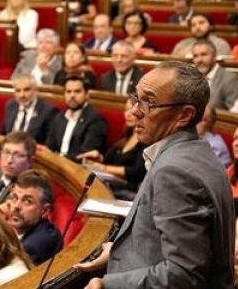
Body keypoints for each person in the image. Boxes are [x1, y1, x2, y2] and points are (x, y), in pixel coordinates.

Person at [75, 61, 235, 289]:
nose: (134, 111)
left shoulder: (175, 172)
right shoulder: (198, 153)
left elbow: (184, 275)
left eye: (149, 102)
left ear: (184, 115)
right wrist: (120, 253)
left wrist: (107, 285)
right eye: (136, 97)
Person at [77, 99, 147, 200]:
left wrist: (102, 167)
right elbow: (107, 158)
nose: (128, 114)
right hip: (113, 187)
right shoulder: (126, 136)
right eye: (126, 110)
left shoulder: (146, 140)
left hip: (128, 192)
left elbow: (136, 172)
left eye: (132, 110)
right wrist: (98, 157)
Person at [45, 75, 108, 161]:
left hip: (78, 169)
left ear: (87, 95)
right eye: (68, 91)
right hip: (56, 165)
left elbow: (86, 154)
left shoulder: (96, 119)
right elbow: (49, 146)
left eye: (77, 91)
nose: (72, 95)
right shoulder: (59, 116)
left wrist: (58, 157)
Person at [0, 74, 58, 144]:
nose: (22, 95)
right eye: (18, 91)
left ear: (35, 90)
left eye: (26, 90)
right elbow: (3, 133)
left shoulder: (48, 110)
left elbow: (49, 143)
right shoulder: (11, 105)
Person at [191, 39, 238, 111]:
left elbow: (234, 114)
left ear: (214, 56)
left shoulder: (229, 79)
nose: (199, 60)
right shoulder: (191, 78)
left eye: (204, 54)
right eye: (195, 56)